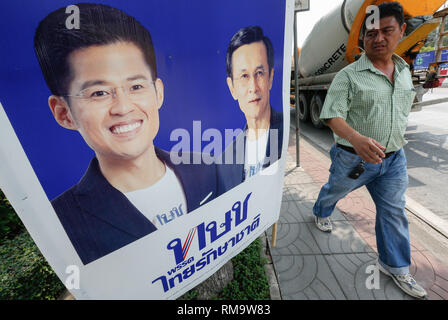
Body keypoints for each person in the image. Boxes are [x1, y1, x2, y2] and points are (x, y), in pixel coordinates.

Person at [34, 3, 217, 265]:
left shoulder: (207, 168)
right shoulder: (60, 225)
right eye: (98, 93)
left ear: (158, 92)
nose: (123, 107)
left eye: (136, 86)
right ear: (64, 113)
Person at [312, 2, 426, 298]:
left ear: (401, 31)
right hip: (353, 159)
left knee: (393, 212)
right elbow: (331, 114)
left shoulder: (403, 71)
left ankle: (395, 266)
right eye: (371, 33)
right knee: (334, 191)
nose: (378, 39)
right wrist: (356, 139)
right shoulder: (348, 76)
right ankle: (321, 211)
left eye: (386, 31)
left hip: (394, 161)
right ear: (363, 37)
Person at [217, 26, 283, 194]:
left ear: (270, 78)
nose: (253, 87)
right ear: (232, 88)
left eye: (259, 73)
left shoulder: (285, 131)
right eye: (244, 76)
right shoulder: (226, 159)